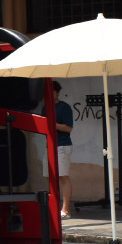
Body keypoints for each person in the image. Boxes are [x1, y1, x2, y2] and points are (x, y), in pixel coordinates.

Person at [50, 81, 74, 219]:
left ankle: (65, 210)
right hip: (50, 144)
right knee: (51, 177)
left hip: (62, 145)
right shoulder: (45, 108)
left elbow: (68, 128)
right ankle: (54, 207)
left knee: (63, 176)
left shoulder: (64, 107)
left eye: (52, 91)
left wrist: (53, 124)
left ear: (57, 92)